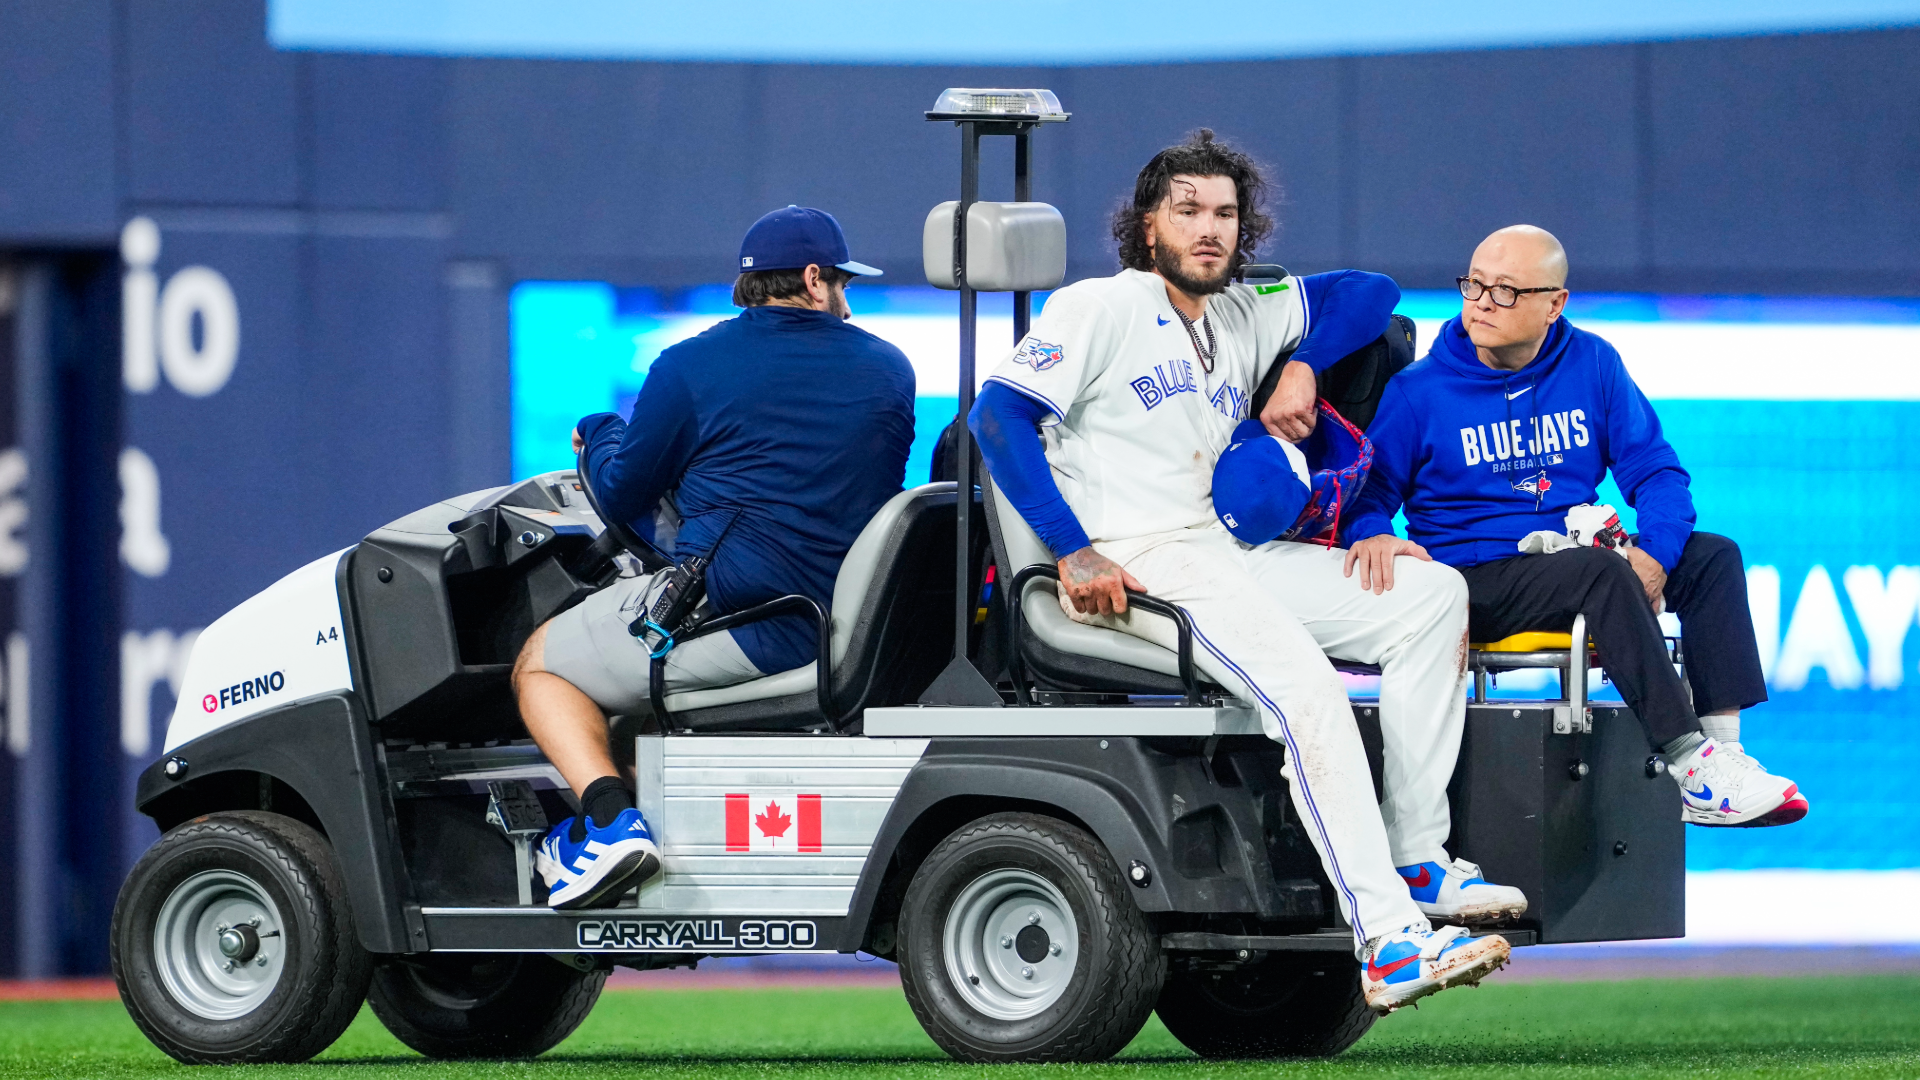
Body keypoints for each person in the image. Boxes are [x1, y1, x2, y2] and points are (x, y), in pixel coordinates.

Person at [969, 130, 1515, 1014]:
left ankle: (1416, 854)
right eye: (1187, 210)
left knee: (1430, 597)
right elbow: (997, 419)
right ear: (1149, 226)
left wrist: (1301, 364)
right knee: (1308, 693)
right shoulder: (1098, 306)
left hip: (1226, 551)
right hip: (1141, 560)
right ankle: (1389, 942)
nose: (1209, 228)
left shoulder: (1243, 309)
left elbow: (1371, 293)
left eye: (1225, 213)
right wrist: (1072, 548)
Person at [513, 206, 916, 908]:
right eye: (844, 284)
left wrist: (598, 429)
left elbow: (622, 491)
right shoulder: (890, 369)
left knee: (539, 666)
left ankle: (607, 826)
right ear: (813, 279)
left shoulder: (689, 367)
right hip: (848, 625)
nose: (847, 302)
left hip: (745, 620)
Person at [1345, 224, 1807, 828]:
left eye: (1506, 290)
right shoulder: (1418, 392)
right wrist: (1373, 530)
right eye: (1474, 285)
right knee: (1597, 571)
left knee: (1712, 557)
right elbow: (1366, 493)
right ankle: (1688, 760)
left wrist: (1657, 554)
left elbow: (1656, 470)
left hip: (1574, 561)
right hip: (1473, 579)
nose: (1482, 303)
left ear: (1554, 304)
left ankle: (1723, 756)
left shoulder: (1592, 362)